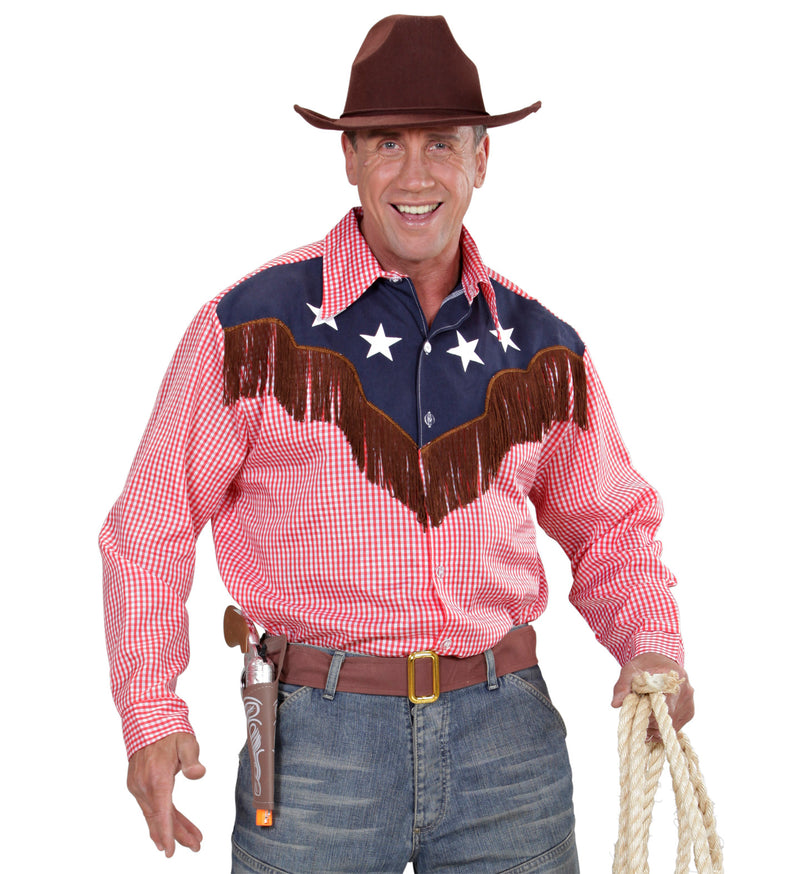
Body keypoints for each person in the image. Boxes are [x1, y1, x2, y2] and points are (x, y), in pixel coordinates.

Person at [101, 14, 694, 873]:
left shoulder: (542, 349)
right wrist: (151, 712)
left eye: (442, 144)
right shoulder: (251, 331)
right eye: (387, 143)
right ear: (349, 158)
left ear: (482, 159)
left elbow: (610, 527)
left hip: (507, 744)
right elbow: (149, 525)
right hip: (316, 749)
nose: (416, 176)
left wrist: (651, 645)